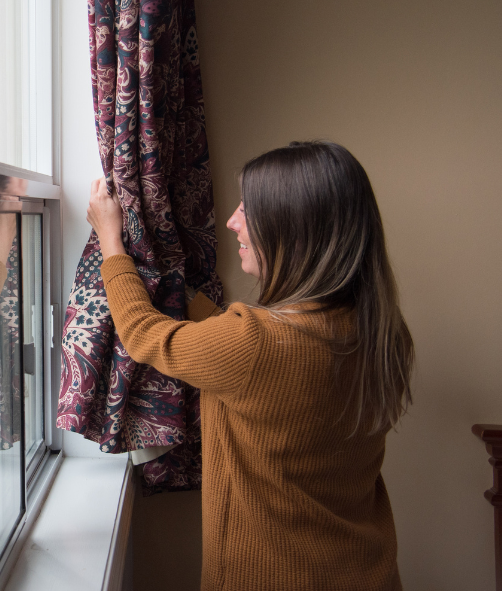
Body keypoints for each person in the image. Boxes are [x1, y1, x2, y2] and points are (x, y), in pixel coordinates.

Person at [86, 141, 413, 591]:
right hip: (367, 572)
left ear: (293, 231)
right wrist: (180, 290)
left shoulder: (254, 342)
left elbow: (144, 335)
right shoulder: (381, 332)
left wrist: (110, 240)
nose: (232, 220)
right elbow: (252, 358)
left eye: (248, 209)